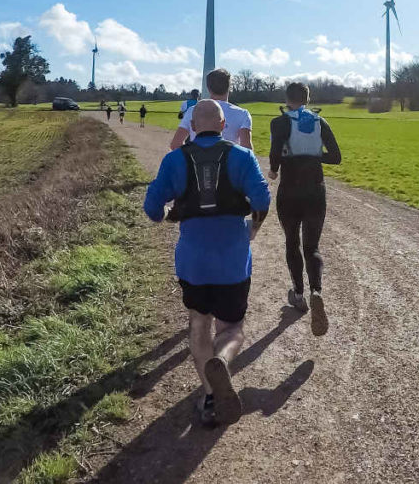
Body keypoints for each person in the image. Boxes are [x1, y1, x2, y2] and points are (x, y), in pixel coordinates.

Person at [144, 100, 270, 427]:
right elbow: (261, 200)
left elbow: (152, 207)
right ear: (223, 122)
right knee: (232, 328)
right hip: (232, 258)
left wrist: (163, 215)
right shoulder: (242, 157)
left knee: (198, 323)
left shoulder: (174, 159)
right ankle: (224, 361)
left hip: (192, 259)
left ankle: (211, 396)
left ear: (194, 125)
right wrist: (252, 228)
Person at [268, 82, 341, 336]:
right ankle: (316, 291)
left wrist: (275, 169)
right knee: (313, 247)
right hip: (315, 190)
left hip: (289, 190)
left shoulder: (279, 123)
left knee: (292, 242)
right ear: (308, 99)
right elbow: (336, 157)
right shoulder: (321, 122)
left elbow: (275, 153)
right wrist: (312, 157)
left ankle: (298, 294)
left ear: (287, 98)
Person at [171, 69, 253, 150]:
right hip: (231, 162)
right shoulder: (243, 114)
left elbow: (175, 144)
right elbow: (247, 148)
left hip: (197, 161)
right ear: (229, 86)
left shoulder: (193, 111)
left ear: (208, 87)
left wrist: (190, 159)